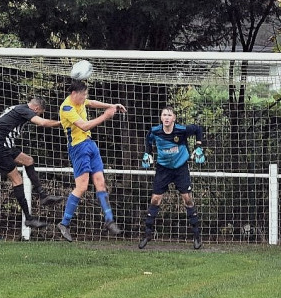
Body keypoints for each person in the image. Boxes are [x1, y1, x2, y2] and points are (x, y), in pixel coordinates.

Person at [55, 78, 127, 242]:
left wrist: (111, 105)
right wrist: (105, 116)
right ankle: (64, 223)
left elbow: (91, 102)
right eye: (82, 95)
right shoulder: (67, 107)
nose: (84, 98)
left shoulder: (80, 101)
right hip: (78, 147)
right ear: (74, 94)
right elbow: (84, 126)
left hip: (90, 145)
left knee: (101, 183)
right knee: (81, 187)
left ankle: (109, 220)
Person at [0, 98, 64, 229]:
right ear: (36, 109)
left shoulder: (17, 108)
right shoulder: (24, 110)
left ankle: (43, 195)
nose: (37, 115)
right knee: (17, 179)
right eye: (38, 113)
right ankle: (29, 218)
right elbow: (42, 123)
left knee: (28, 160)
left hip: (2, 145)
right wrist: (63, 123)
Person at [138, 106, 206, 250]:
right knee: (155, 199)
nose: (167, 117)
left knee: (187, 199)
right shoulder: (155, 131)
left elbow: (198, 129)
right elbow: (148, 139)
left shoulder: (181, 130)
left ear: (174, 118)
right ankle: (147, 234)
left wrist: (198, 147)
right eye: (164, 115)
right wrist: (148, 153)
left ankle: (196, 236)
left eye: (169, 115)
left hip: (180, 167)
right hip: (163, 168)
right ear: (161, 118)